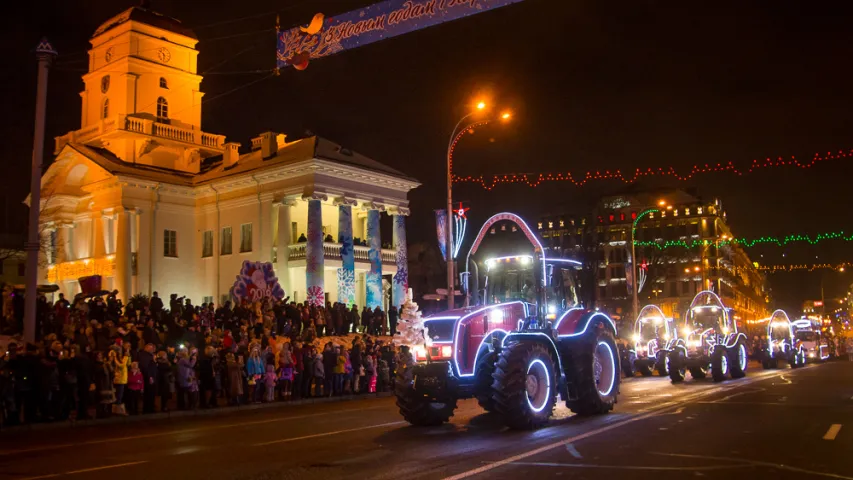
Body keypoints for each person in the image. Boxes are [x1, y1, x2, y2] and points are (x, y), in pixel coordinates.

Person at [137, 343, 158, 414]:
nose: (152, 350)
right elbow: (146, 367)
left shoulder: (149, 356)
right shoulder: (144, 356)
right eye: (151, 348)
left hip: (151, 376)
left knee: (151, 393)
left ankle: (150, 408)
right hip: (148, 377)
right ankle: (148, 409)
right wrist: (150, 377)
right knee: (149, 393)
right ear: (146, 348)